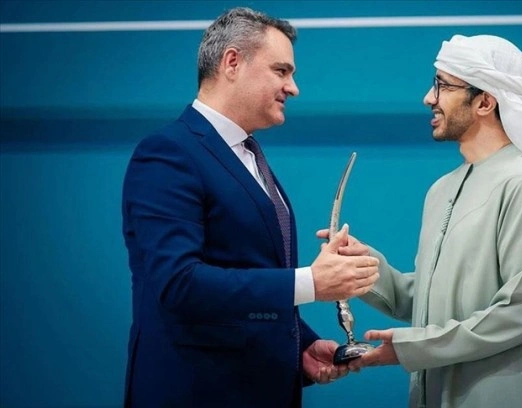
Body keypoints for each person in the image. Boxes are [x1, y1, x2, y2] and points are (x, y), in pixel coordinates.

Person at [121, 7, 380, 407]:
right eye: (281, 71)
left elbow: (245, 269)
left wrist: (301, 345)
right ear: (232, 62)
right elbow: (178, 284)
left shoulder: (247, 153)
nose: (293, 88)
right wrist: (311, 283)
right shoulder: (168, 153)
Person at [331, 35, 522, 407]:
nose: (428, 98)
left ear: (485, 102)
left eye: (443, 86)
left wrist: (414, 347)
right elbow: (431, 301)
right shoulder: (441, 190)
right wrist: (364, 267)